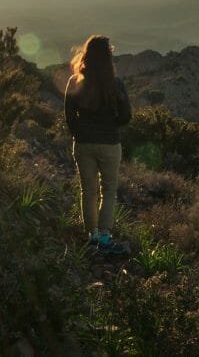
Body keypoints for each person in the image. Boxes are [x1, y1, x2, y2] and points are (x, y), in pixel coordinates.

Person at [64, 34, 132, 255]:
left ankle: (91, 233)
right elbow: (125, 117)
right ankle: (104, 235)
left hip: (84, 144)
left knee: (88, 190)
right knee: (109, 190)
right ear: (108, 57)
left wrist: (80, 133)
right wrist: (109, 124)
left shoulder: (75, 82)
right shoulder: (116, 85)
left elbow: (69, 117)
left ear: (87, 55)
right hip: (110, 144)